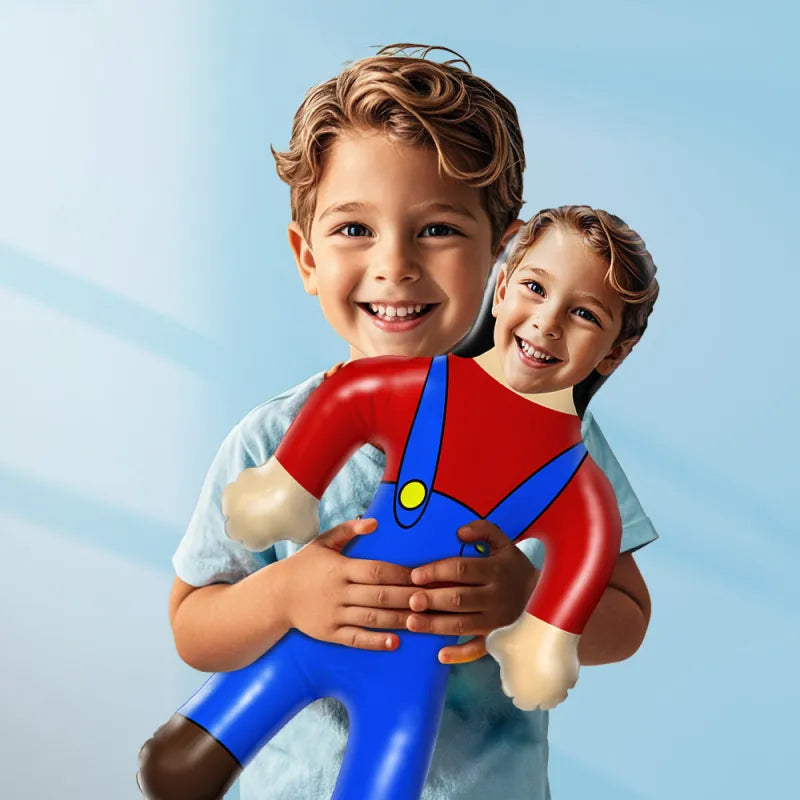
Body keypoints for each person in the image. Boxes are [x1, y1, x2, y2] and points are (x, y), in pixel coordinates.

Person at [139, 46, 658, 800]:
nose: (396, 265)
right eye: (354, 230)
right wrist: (286, 595)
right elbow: (194, 625)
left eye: (438, 230)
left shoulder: (561, 441)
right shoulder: (271, 439)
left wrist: (529, 601)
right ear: (306, 257)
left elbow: (627, 616)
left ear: (502, 258)